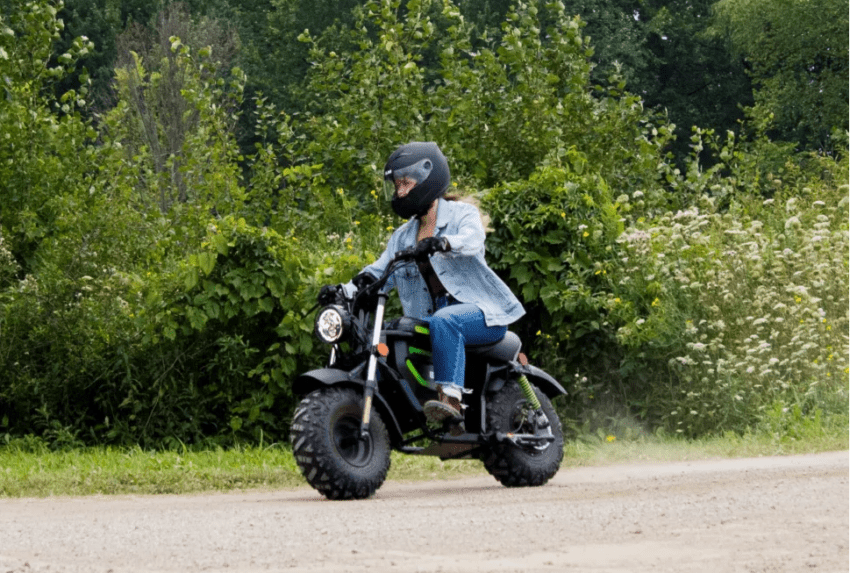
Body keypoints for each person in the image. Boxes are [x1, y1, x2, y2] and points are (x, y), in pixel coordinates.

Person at [350, 142, 525, 425]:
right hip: (434, 319)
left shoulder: (462, 215)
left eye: (406, 183)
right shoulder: (402, 236)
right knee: (395, 331)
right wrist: (345, 289)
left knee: (446, 320)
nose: (400, 192)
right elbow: (378, 271)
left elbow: (472, 240)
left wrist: (442, 242)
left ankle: (451, 401)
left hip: (482, 313)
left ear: (428, 179)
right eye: (396, 185)